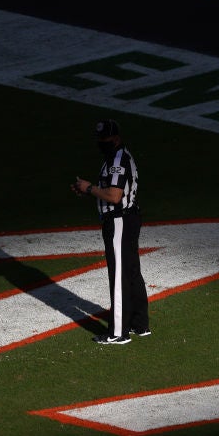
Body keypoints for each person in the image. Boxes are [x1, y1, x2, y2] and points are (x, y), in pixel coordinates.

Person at [70, 119, 150, 344]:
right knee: (132, 272)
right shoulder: (118, 156)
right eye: (99, 139)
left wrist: (90, 188)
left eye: (104, 139)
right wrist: (90, 192)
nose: (101, 143)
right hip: (127, 219)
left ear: (115, 138)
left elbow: (114, 196)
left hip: (119, 221)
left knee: (119, 276)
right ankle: (139, 324)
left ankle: (118, 333)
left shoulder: (117, 159)